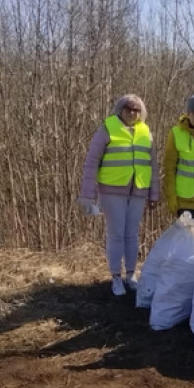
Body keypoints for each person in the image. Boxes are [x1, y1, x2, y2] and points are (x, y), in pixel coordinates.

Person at [77, 95, 159, 297]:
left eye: (136, 110)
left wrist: (154, 194)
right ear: (120, 109)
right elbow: (91, 162)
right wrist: (87, 195)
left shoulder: (145, 132)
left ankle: (130, 275)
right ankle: (115, 277)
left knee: (132, 234)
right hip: (112, 190)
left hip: (138, 190)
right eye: (128, 109)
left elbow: (153, 166)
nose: (132, 113)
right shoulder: (107, 128)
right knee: (116, 234)